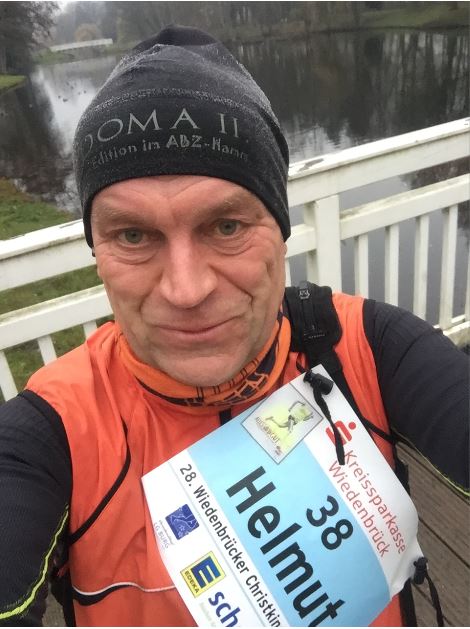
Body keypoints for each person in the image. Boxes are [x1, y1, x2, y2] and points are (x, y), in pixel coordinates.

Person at [0, 25, 468, 628]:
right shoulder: (54, 434)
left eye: (226, 227)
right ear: (98, 252)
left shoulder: (361, 349)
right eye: (134, 235)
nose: (186, 290)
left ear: (280, 231)